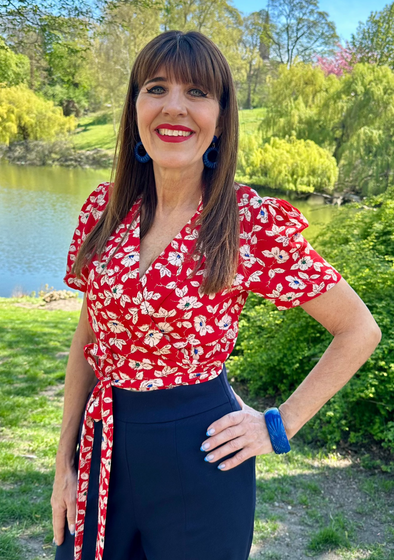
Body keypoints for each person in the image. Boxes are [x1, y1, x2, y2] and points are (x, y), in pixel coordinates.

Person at [51, 30, 381, 560]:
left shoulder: (246, 222)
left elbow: (359, 329)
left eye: (197, 92)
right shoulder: (105, 211)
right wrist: (62, 463)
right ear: (135, 106)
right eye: (156, 88)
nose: (173, 106)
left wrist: (279, 425)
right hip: (101, 447)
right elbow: (87, 338)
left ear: (222, 118)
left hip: (202, 457)